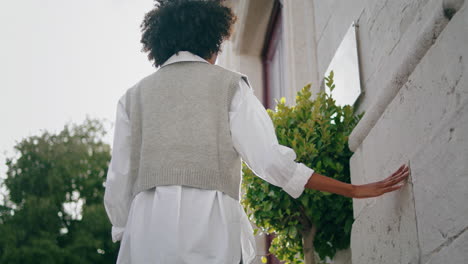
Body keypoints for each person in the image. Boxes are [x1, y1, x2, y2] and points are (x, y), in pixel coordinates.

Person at [103, 1, 410, 263]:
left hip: (145, 233)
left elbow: (118, 184)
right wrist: (353, 189)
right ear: (211, 39)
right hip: (211, 229)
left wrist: (124, 230)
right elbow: (274, 164)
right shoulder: (229, 85)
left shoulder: (132, 98)